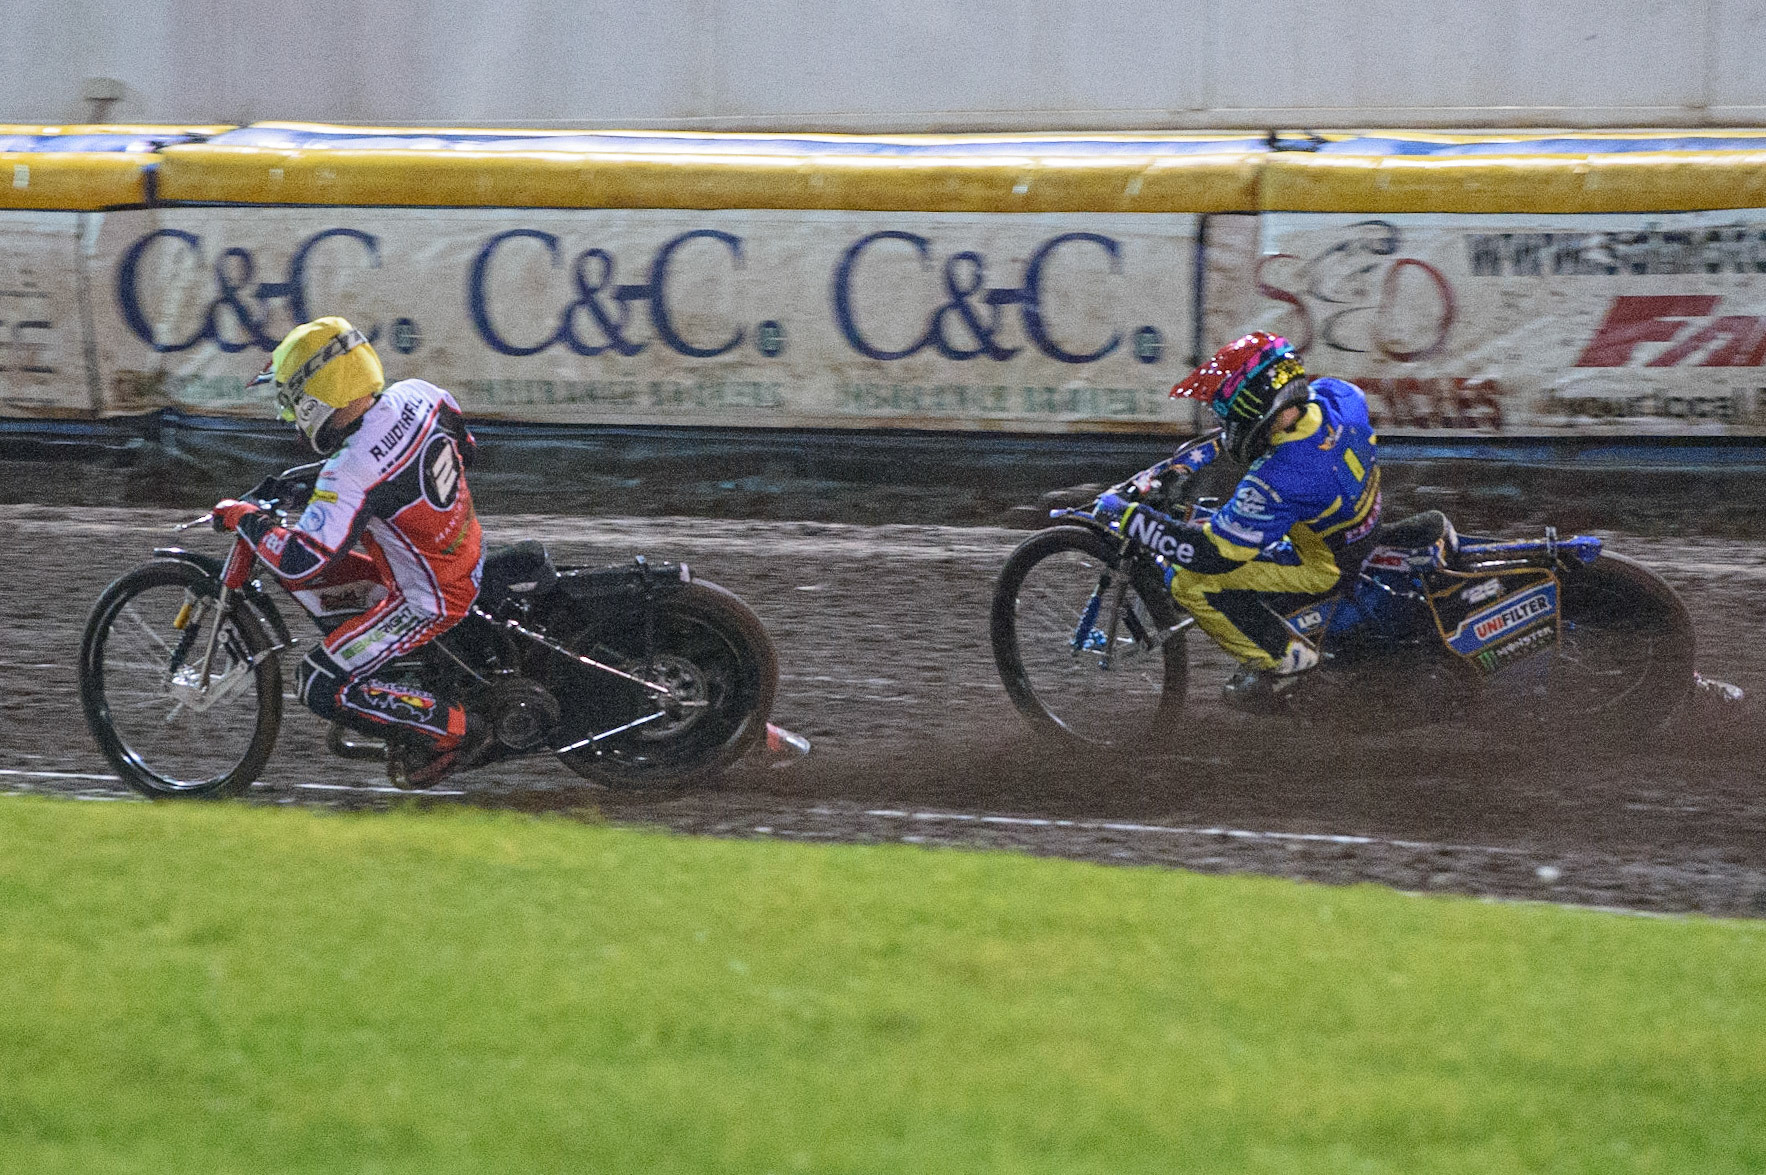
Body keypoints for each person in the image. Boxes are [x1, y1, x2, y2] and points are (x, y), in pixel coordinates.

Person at [209, 316, 486, 787]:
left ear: (315, 398)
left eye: (292, 401)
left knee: (317, 682)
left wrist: (245, 519)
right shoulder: (421, 394)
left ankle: (454, 730)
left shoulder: (350, 471)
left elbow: (303, 561)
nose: (291, 414)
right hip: (469, 552)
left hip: (430, 600)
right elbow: (467, 448)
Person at [1133, 331, 1381, 710]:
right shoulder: (1340, 397)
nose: (1228, 425)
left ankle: (1285, 662)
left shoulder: (1276, 479)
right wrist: (1187, 462)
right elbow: (1258, 431)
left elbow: (1210, 555)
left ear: (1260, 409)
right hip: (1359, 524)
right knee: (1219, 522)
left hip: (1326, 566)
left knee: (1188, 581)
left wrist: (1134, 520)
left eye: (1231, 416)